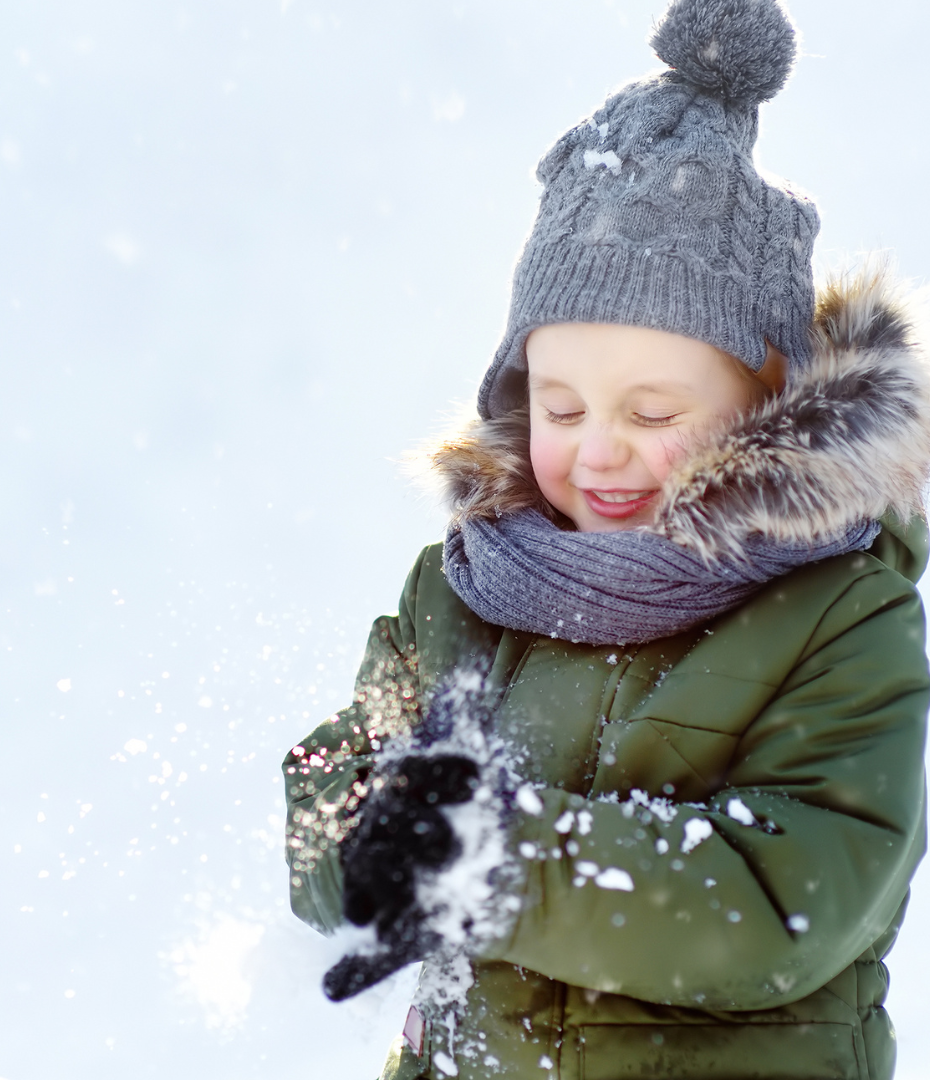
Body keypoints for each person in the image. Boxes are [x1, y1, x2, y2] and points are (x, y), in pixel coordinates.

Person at [282, 1, 930, 1077]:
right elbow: (332, 767)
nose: (600, 455)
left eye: (654, 414)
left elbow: (783, 903)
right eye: (564, 411)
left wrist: (495, 857)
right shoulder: (465, 592)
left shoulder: (840, 617)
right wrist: (373, 839)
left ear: (766, 399)